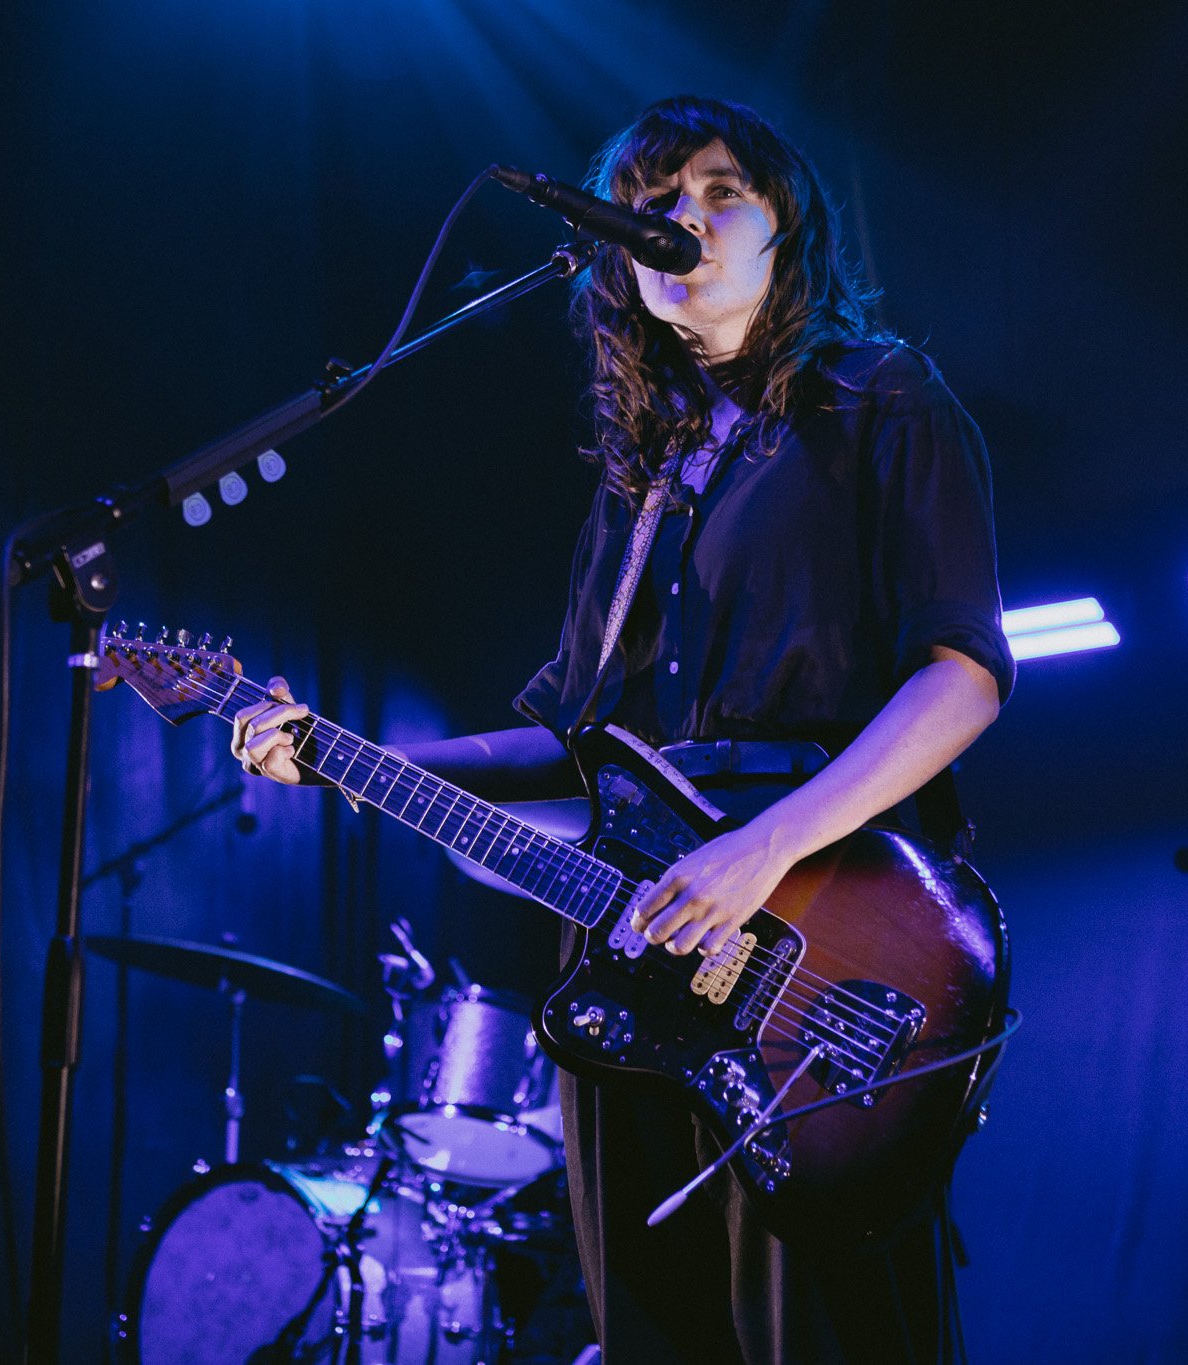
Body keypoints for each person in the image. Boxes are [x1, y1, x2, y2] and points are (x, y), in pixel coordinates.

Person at [234, 94, 1014, 1365]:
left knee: (813, 1329)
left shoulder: (881, 399)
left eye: (718, 193)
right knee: (655, 1326)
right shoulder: (641, 474)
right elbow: (568, 740)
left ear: (786, 227)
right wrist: (345, 753)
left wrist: (759, 852)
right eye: (653, 203)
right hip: (637, 944)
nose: (682, 220)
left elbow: (964, 674)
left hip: (815, 911)